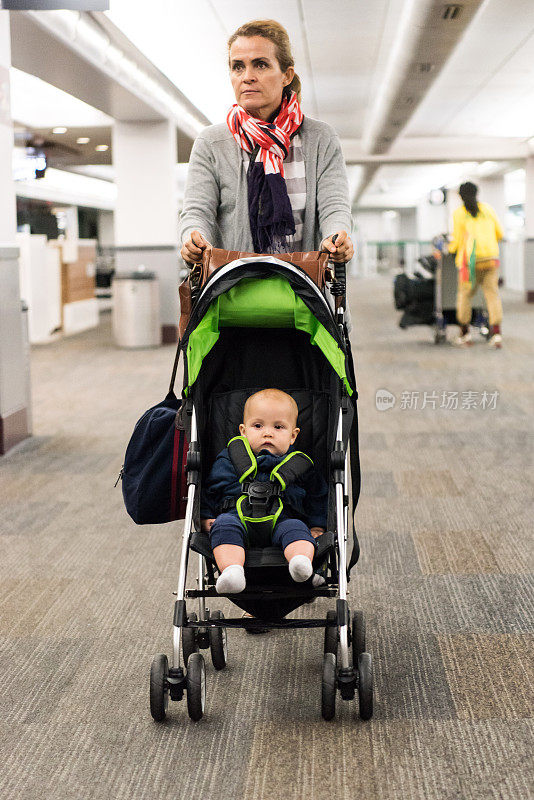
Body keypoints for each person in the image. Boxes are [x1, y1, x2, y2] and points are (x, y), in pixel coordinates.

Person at [179, 18, 354, 272]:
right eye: (238, 67)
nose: (247, 77)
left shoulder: (320, 138)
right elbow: (197, 212)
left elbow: (334, 206)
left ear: (286, 75)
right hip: (235, 294)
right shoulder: (212, 144)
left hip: (306, 294)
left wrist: (337, 237)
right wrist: (192, 238)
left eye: (260, 65)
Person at [200, 389, 328, 595]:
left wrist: (317, 525)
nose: (267, 433)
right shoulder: (230, 459)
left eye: (278, 427)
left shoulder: (300, 465)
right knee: (223, 526)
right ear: (243, 430)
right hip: (236, 517)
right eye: (258, 426)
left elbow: (317, 496)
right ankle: (232, 572)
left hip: (284, 520)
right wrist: (205, 516)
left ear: (293, 435)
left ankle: (301, 563)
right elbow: (210, 489)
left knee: (297, 530)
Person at [449, 181, 504, 348]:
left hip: (470, 261)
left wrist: (451, 251)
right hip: (490, 259)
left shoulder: (459, 213)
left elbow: (457, 240)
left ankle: (465, 334)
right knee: (492, 295)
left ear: (460, 196)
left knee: (465, 296)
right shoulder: (488, 209)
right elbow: (499, 234)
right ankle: (496, 334)